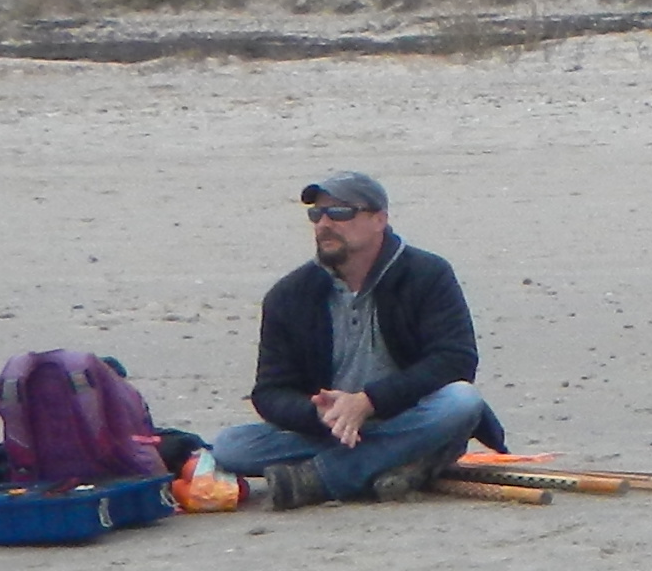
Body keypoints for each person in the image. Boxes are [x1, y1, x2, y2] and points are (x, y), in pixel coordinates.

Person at [205, 171, 504, 509]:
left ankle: (322, 479)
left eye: (341, 212)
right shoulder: (288, 295)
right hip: (334, 430)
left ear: (379, 219)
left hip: (408, 415)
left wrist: (368, 402)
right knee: (231, 446)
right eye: (317, 214)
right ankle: (400, 462)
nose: (325, 223)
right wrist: (320, 414)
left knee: (461, 402)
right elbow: (270, 391)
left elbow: (455, 360)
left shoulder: (427, 274)